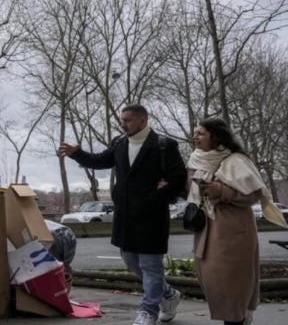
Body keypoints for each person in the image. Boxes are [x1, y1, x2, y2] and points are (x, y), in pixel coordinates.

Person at [58, 104, 186, 325]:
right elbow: (100, 161)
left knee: (150, 264)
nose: (122, 124)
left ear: (142, 121)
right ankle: (168, 294)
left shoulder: (164, 145)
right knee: (130, 260)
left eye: (127, 120)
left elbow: (178, 179)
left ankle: (148, 312)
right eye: (122, 119)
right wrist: (76, 153)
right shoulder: (119, 142)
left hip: (152, 216)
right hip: (125, 215)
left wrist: (156, 197)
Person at [187, 117, 287, 325]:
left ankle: (237, 317)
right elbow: (190, 191)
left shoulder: (236, 160)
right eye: (195, 133)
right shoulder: (196, 160)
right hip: (206, 228)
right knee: (211, 278)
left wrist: (221, 190)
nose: (195, 137)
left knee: (231, 281)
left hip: (232, 230)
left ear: (215, 136)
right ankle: (238, 315)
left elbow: (252, 196)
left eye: (201, 133)